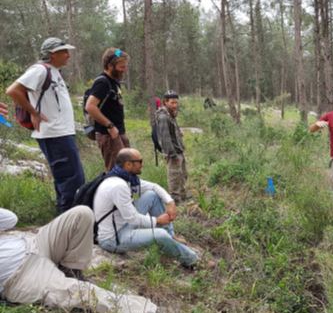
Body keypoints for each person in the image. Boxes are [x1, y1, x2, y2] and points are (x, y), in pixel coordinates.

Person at [0, 206, 157, 313]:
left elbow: (11, 219)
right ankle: (147, 312)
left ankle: (71, 270)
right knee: (82, 292)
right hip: (21, 275)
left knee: (82, 213)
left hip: (34, 243)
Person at [6, 37, 85, 214]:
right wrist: (34, 113)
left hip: (61, 133)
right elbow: (13, 90)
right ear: (52, 54)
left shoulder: (54, 71)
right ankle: (69, 227)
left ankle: (64, 225)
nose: (68, 55)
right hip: (54, 134)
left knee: (68, 180)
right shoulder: (39, 69)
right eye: (64, 51)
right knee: (72, 181)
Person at [93, 148, 198, 268]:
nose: (142, 165)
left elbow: (153, 187)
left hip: (123, 223)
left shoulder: (124, 178)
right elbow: (132, 218)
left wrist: (170, 202)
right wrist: (157, 221)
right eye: (140, 161)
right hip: (114, 238)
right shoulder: (118, 186)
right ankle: (193, 260)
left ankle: (171, 237)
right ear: (128, 164)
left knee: (152, 195)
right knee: (160, 235)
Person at [85, 47, 130, 171]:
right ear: (110, 66)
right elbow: (90, 106)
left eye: (125, 66)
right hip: (109, 135)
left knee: (128, 168)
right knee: (116, 171)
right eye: (121, 67)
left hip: (119, 132)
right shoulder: (103, 83)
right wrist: (110, 126)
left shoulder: (114, 82)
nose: (124, 70)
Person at [155, 90, 190, 203]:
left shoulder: (171, 114)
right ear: (165, 102)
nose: (175, 105)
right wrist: (172, 154)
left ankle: (183, 195)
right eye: (172, 102)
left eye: (176, 102)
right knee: (174, 176)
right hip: (173, 152)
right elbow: (165, 138)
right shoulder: (163, 117)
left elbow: (174, 131)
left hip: (179, 149)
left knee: (183, 174)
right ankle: (175, 199)